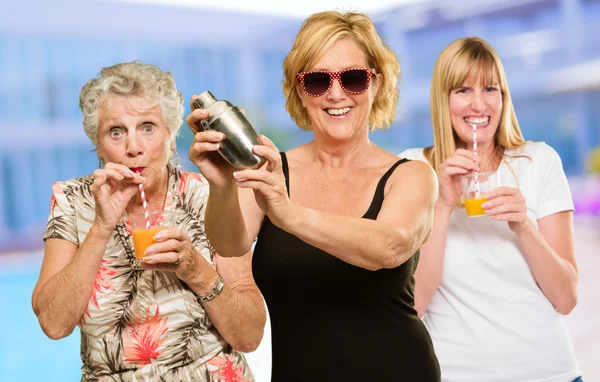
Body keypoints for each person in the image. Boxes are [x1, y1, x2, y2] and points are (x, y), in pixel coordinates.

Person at [187, 11, 441, 382]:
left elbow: (389, 247)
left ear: (376, 84)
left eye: (353, 78)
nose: (336, 93)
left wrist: (288, 214)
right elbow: (228, 244)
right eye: (318, 81)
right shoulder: (272, 171)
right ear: (299, 91)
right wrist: (222, 185)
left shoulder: (412, 175)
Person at [32, 61, 266, 381]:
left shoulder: (208, 195)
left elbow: (249, 336)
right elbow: (54, 325)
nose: (133, 148)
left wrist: (196, 271)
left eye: (148, 127)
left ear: (171, 138)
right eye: (116, 131)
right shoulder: (72, 200)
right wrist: (101, 226)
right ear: (98, 145)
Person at [399, 37, 582, 382]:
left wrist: (524, 226)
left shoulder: (538, 162)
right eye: (463, 90)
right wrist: (441, 205)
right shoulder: (413, 168)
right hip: (454, 374)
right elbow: (412, 306)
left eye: (490, 89)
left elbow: (567, 298)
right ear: (443, 99)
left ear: (504, 97)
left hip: (549, 372)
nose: (479, 104)